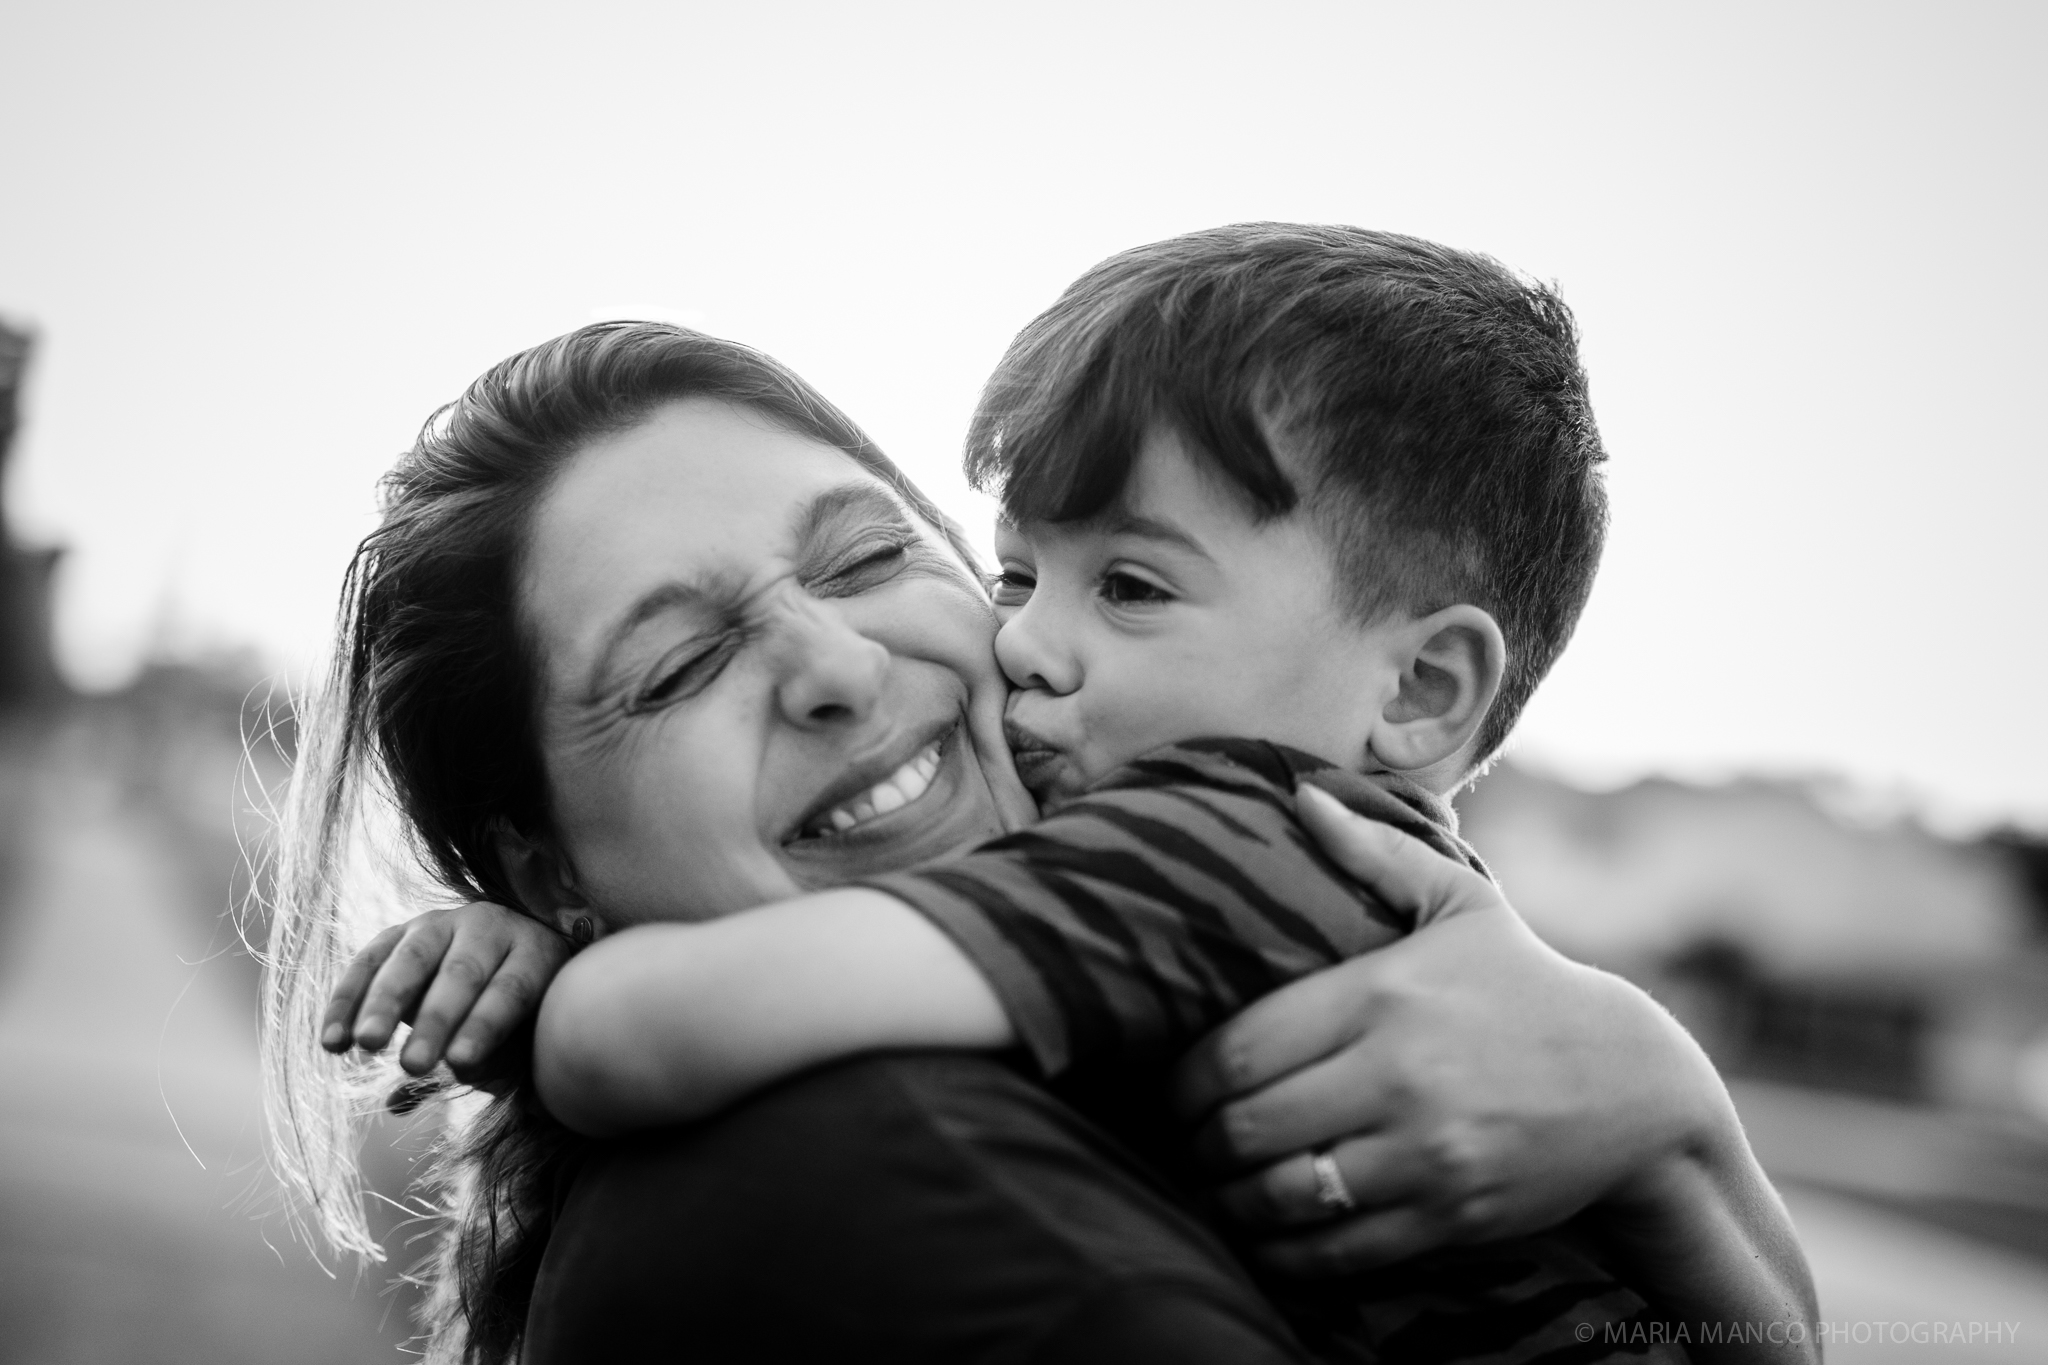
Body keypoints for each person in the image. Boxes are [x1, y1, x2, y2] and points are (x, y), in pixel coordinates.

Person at [353, 227, 1805, 1363]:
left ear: (1422, 692)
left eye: (867, 560)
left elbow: (643, 1035)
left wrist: (570, 994)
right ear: (539, 858)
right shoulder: (867, 1177)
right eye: (676, 665)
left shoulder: (1224, 844)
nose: (1030, 644)